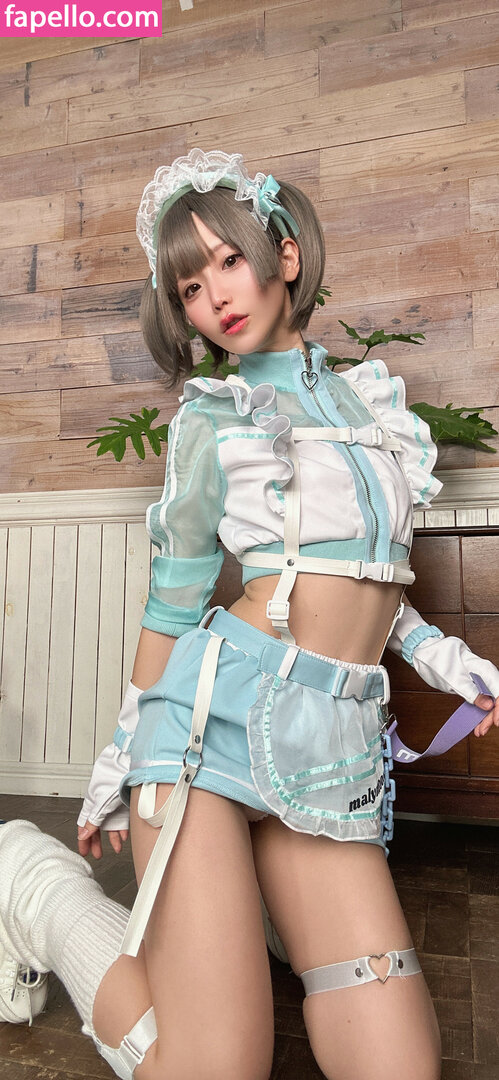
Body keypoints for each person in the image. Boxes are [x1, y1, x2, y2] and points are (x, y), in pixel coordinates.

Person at [1, 148, 498, 1080]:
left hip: (328, 750)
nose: (215, 297)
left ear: (285, 255)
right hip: (205, 734)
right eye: (190, 286)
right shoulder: (213, 419)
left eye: (229, 261)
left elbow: (362, 576)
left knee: (401, 1069)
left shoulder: (368, 403)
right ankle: (34, 886)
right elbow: (174, 602)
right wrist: (117, 759)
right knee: (214, 1067)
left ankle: (244, 923)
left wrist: (444, 659)